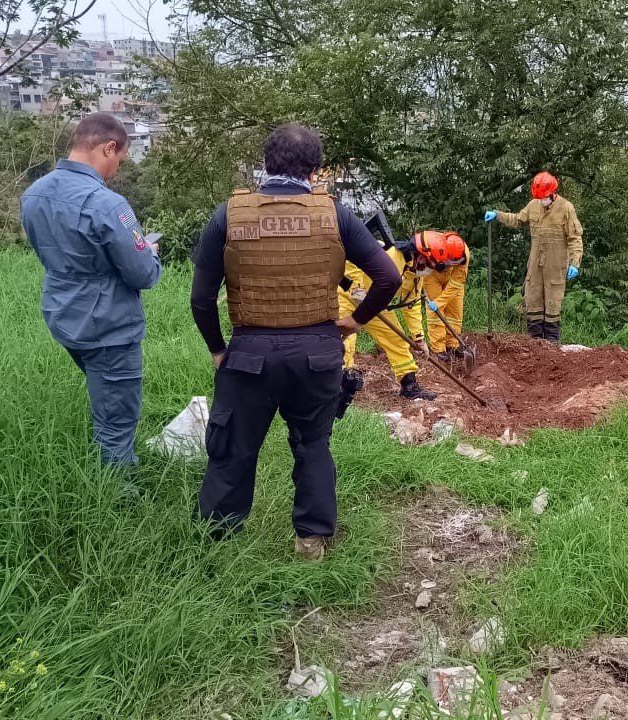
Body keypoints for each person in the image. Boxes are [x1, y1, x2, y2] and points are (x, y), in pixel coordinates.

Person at [189, 123, 400, 560]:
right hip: (318, 355)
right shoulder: (335, 215)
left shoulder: (228, 214)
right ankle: (311, 541)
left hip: (249, 355)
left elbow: (201, 298)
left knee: (234, 449)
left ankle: (216, 547)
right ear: (314, 169)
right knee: (313, 446)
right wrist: (355, 321)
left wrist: (217, 349)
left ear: (267, 162)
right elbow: (389, 277)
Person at [20, 112, 162, 467]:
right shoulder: (108, 205)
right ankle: (117, 500)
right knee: (117, 420)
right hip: (109, 326)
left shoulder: (34, 194)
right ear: (108, 147)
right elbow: (142, 274)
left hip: (64, 315)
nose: (116, 169)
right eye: (119, 159)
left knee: (106, 396)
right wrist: (148, 251)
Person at [337, 232, 441, 401]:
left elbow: (411, 305)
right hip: (348, 297)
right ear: (422, 258)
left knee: (397, 339)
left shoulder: (415, 275)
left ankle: (409, 386)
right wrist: (356, 286)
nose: (431, 270)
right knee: (345, 341)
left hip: (375, 303)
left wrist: (419, 338)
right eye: (431, 265)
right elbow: (350, 257)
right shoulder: (387, 252)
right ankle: (339, 389)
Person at [483, 171, 583, 344]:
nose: (542, 199)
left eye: (544, 196)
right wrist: (498, 215)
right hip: (535, 263)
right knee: (533, 299)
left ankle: (552, 346)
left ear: (552, 192)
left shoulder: (566, 208)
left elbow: (575, 238)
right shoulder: (533, 205)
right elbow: (517, 220)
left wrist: (575, 262)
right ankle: (534, 346)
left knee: (553, 304)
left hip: (555, 264)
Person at [416, 230, 470, 363]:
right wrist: (437, 303)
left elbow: (457, 284)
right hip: (432, 274)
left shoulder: (464, 253)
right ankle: (438, 348)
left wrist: (439, 302)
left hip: (452, 276)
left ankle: (453, 344)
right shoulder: (434, 245)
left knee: (455, 311)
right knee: (435, 313)